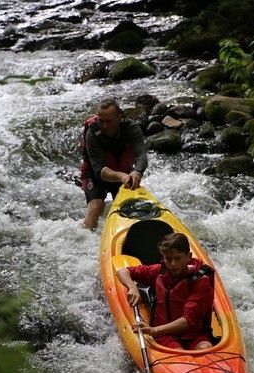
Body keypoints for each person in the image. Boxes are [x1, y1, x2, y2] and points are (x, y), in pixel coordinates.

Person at [116, 233, 215, 350]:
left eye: (178, 258)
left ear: (189, 256)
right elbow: (122, 271)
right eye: (168, 259)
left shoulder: (200, 281)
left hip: (193, 335)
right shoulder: (160, 271)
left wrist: (154, 330)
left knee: (206, 347)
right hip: (165, 335)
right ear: (163, 258)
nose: (172, 264)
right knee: (179, 354)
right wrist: (132, 287)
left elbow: (187, 321)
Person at [79, 97, 148, 230]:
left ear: (119, 117)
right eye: (101, 121)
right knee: (96, 206)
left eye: (108, 121)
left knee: (127, 207)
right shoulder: (92, 133)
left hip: (123, 174)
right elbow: (100, 170)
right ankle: (87, 236)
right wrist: (122, 176)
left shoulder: (131, 128)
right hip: (95, 175)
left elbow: (141, 156)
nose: (104, 126)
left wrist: (137, 171)